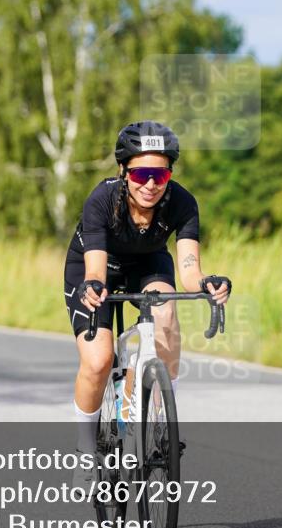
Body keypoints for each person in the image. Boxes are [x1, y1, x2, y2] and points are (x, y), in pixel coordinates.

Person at [63, 120, 231, 488]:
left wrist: (206, 284)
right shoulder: (102, 199)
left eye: (160, 174)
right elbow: (95, 265)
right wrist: (94, 286)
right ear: (123, 171)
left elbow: (189, 268)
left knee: (167, 316)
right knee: (98, 360)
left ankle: (144, 404)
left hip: (148, 263)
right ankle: (85, 449)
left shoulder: (183, 202)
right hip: (95, 267)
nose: (151, 184)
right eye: (141, 173)